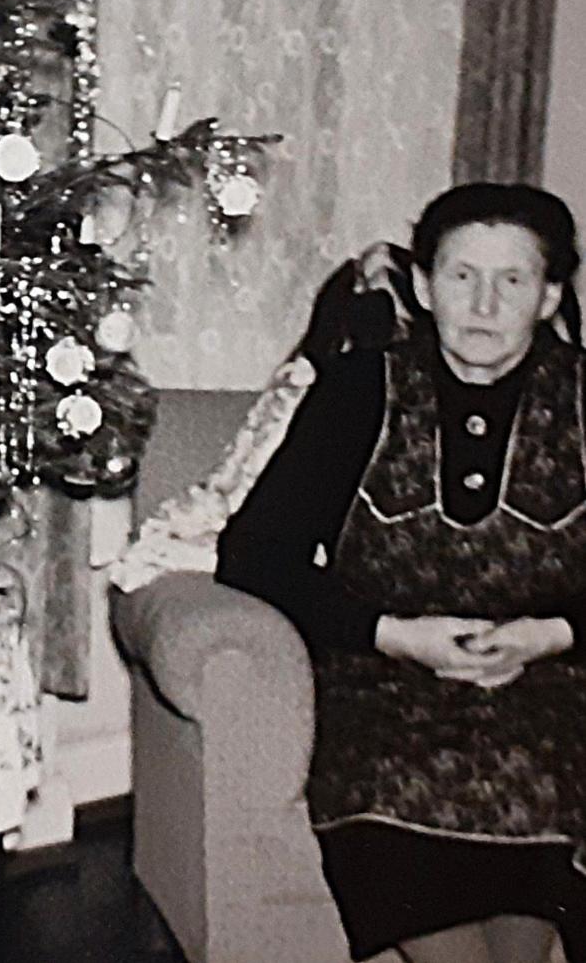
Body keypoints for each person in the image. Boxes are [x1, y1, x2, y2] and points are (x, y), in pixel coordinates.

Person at [217, 182, 586, 963]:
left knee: (549, 782)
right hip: (383, 682)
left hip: (553, 680)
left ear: (550, 295)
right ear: (422, 286)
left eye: (512, 279)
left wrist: (552, 634)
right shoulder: (358, 391)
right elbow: (254, 553)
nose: (483, 302)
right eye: (460, 275)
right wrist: (392, 635)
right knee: (391, 796)